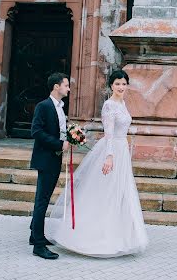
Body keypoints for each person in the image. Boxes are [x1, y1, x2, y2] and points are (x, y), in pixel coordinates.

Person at [48, 70, 148, 258]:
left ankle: (122, 236)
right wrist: (109, 157)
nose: (121, 87)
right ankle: (96, 237)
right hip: (111, 150)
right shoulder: (109, 106)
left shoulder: (123, 103)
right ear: (111, 85)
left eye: (124, 84)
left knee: (120, 192)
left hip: (122, 150)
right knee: (105, 192)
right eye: (117, 83)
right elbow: (108, 133)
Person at [30, 72, 70, 259]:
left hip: (55, 159)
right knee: (42, 201)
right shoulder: (43, 106)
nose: (68, 88)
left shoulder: (60, 107)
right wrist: (59, 144)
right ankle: (38, 246)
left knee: (43, 199)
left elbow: (60, 131)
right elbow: (36, 131)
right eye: (66, 85)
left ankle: (35, 235)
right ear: (56, 87)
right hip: (46, 158)